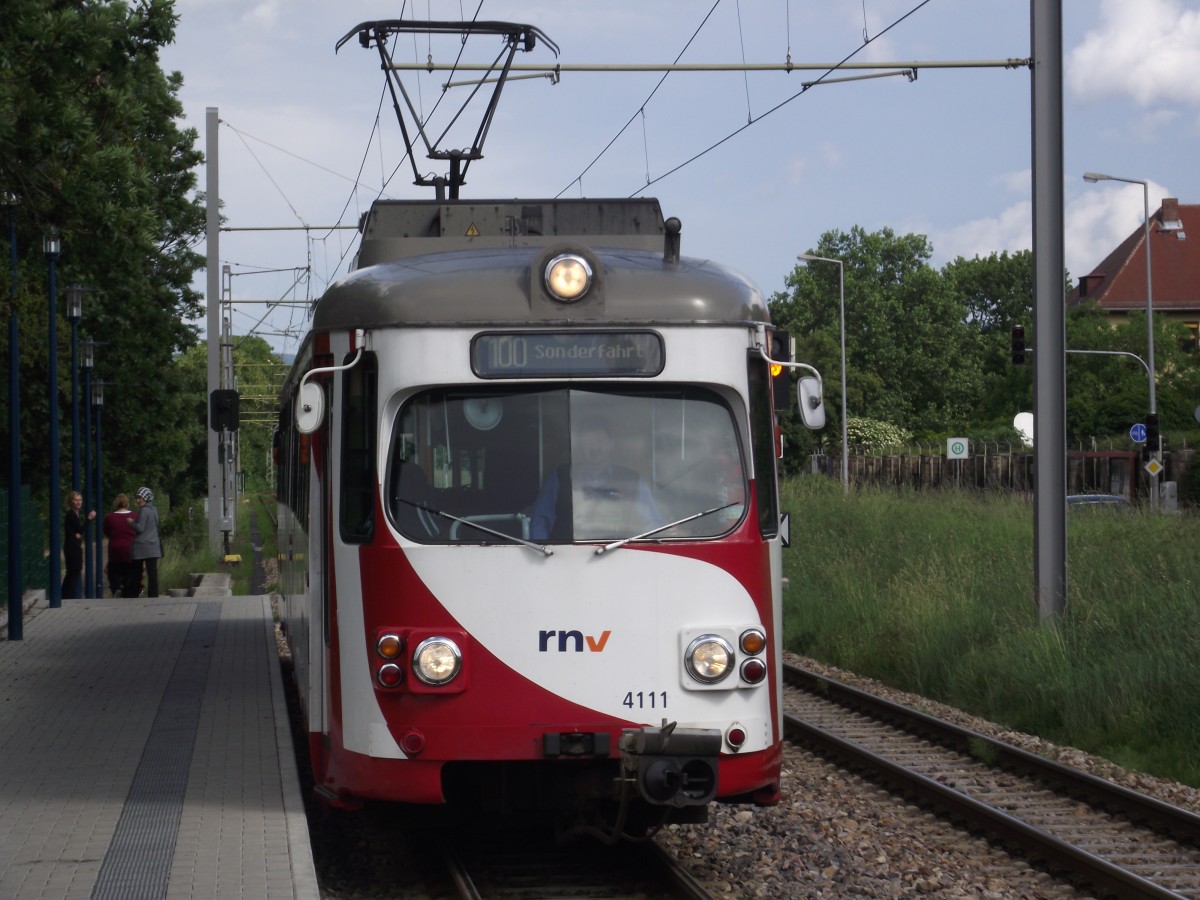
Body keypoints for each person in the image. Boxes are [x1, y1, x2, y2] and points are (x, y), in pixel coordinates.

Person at [530, 416, 660, 542]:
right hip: (568, 556)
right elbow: (539, 522)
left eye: (599, 441)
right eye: (588, 442)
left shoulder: (632, 480)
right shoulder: (560, 476)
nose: (594, 448)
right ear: (580, 446)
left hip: (619, 555)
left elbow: (651, 525)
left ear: (611, 444)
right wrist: (546, 555)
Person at [62, 491, 96, 599]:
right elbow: (79, 531)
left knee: (72, 572)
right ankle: (68, 596)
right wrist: (89, 519)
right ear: (71, 501)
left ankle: (65, 595)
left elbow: (78, 532)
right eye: (76, 500)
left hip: (72, 547)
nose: (78, 502)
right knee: (74, 571)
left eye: (80, 500)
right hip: (72, 548)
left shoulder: (74, 514)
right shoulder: (71, 515)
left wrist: (78, 533)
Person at [130, 486, 162, 598]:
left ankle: (134, 594)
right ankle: (153, 595)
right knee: (152, 573)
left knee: (136, 573)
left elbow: (140, 528)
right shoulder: (154, 510)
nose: (138, 500)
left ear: (146, 498)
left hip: (141, 546)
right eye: (137, 498)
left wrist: (131, 522)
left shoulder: (144, 511)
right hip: (154, 546)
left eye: (140, 498)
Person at [103, 493, 137, 597]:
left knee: (113, 570)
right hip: (130, 548)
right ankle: (126, 590)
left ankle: (116, 587)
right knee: (129, 571)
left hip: (115, 548)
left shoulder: (109, 517)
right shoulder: (135, 515)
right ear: (128, 503)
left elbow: (107, 532)